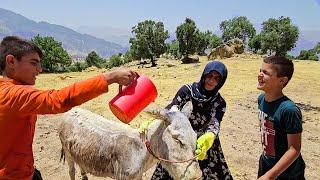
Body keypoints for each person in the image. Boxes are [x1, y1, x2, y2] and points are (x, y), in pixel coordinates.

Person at [0, 36, 137, 180]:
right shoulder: (13, 95)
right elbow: (58, 99)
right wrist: (110, 77)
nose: (39, 69)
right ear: (11, 61)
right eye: (34, 63)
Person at [151, 61, 233, 180]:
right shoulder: (186, 91)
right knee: (174, 171)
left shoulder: (219, 102)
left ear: (221, 82)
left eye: (216, 78)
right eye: (209, 76)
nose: (211, 81)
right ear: (204, 75)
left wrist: (209, 136)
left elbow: (215, 123)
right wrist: (155, 120)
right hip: (181, 140)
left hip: (203, 146)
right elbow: (172, 109)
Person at [257, 56, 305, 180]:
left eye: (266, 73)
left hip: (288, 172)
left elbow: (294, 149)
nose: (260, 75)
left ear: (282, 80)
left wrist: (270, 176)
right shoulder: (261, 99)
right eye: (260, 70)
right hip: (266, 164)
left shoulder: (289, 110)